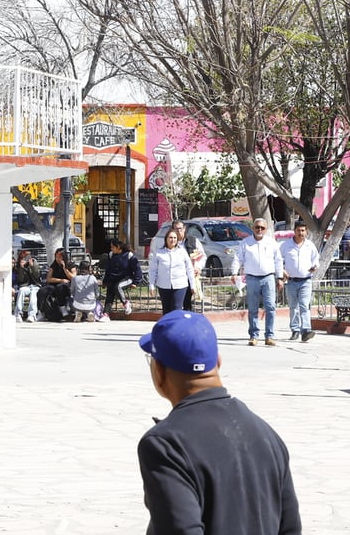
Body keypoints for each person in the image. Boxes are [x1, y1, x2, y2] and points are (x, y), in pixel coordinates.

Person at [137, 310, 301, 533]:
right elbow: (290, 528)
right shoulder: (265, 433)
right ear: (218, 362)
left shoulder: (165, 444)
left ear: (158, 371)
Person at [232, 217, 284, 347]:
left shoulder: (271, 243)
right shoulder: (245, 243)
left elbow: (278, 261)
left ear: (266, 229)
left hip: (268, 278)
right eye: (257, 227)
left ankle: (269, 335)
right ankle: (253, 335)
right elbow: (237, 258)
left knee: (270, 307)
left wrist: (280, 277)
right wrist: (234, 272)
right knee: (253, 308)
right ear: (253, 228)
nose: (259, 229)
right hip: (252, 278)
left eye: (262, 228)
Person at [280, 220, 319, 343]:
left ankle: (306, 330)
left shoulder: (310, 246)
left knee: (304, 305)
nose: (301, 233)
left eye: (303, 230)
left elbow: (316, 259)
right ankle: (295, 330)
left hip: (306, 280)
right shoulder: (285, 245)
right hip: (291, 281)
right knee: (293, 306)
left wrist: (314, 267)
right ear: (294, 231)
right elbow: (278, 260)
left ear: (306, 231)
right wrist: (282, 271)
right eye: (298, 230)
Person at [147, 229, 195, 314]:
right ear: (166, 239)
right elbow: (153, 269)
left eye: (174, 238)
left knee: (177, 309)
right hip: (164, 285)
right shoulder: (159, 253)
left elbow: (189, 269)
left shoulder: (182, 252)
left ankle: (177, 327)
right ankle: (168, 327)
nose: (172, 240)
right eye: (170, 238)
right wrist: (151, 284)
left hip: (180, 285)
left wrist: (192, 285)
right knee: (166, 310)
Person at [170, 221, 206, 310]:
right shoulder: (170, 243)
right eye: (176, 229)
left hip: (189, 276)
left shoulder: (193, 241)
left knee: (187, 302)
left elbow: (202, 256)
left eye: (180, 229)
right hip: (175, 277)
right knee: (175, 303)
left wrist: (198, 267)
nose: (178, 231)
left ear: (184, 229)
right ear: (172, 229)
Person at [102, 238, 143, 315]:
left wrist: (136, 282)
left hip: (127, 278)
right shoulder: (111, 255)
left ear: (118, 247)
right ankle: (106, 313)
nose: (111, 249)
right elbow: (108, 269)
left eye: (112, 247)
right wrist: (105, 281)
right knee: (110, 290)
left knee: (118, 287)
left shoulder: (129, 256)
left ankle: (125, 303)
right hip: (114, 278)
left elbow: (137, 269)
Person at [36, 248, 75, 321]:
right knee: (42, 291)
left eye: (59, 257)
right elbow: (49, 278)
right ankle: (41, 311)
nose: (57, 259)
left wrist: (65, 269)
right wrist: (61, 280)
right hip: (55, 283)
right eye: (56, 257)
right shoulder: (54, 265)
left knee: (60, 287)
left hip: (67, 285)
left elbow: (73, 277)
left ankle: (63, 309)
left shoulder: (70, 264)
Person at [12, 250, 42, 323]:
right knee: (21, 291)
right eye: (24, 257)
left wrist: (32, 267)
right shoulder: (18, 266)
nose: (25, 259)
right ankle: (18, 314)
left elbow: (37, 276)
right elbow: (20, 280)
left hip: (35, 286)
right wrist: (21, 269)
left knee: (33, 294)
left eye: (27, 257)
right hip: (25, 286)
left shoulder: (34, 263)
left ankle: (31, 315)